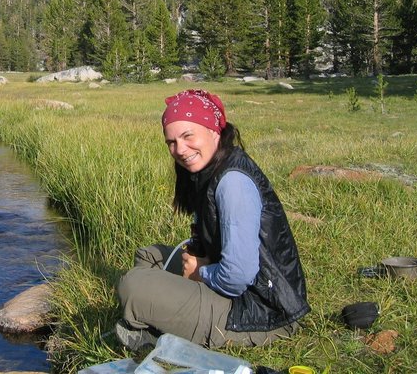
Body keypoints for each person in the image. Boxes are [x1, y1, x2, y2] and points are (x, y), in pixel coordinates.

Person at [116, 89, 310, 350]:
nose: (180, 150)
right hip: (242, 293)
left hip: (262, 312)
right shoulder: (211, 169)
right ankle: (161, 317)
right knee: (150, 256)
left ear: (213, 130)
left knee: (133, 285)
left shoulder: (232, 183)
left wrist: (200, 272)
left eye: (187, 136)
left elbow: (238, 275)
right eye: (171, 142)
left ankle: (153, 335)